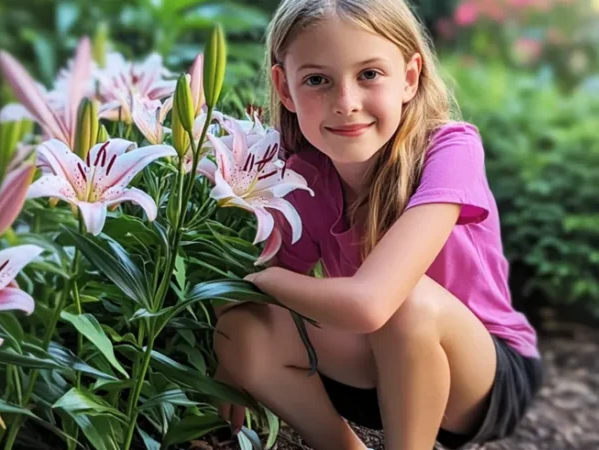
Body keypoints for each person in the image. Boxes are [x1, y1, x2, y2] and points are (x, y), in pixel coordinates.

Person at [211, 1, 543, 449]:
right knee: (242, 327)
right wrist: (232, 332)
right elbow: (275, 306)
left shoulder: (450, 150)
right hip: (375, 367)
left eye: (369, 74)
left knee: (405, 304)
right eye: (317, 80)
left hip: (482, 378)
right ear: (285, 89)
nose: (346, 103)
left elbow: (370, 304)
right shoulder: (305, 176)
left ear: (409, 78)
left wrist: (258, 281)